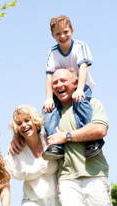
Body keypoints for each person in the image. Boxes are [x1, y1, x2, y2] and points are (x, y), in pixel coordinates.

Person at [9, 68, 115, 206]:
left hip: (94, 174)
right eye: (54, 82)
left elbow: (100, 130)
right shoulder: (51, 115)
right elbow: (30, 129)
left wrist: (66, 136)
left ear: (76, 82)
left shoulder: (91, 105)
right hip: (66, 179)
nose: (58, 85)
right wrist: (16, 136)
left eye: (63, 81)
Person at [42, 15, 104, 160]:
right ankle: (55, 143)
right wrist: (49, 98)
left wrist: (80, 89)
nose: (62, 36)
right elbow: (49, 75)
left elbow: (83, 67)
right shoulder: (53, 52)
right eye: (58, 34)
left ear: (72, 30)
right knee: (49, 109)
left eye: (65, 32)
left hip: (80, 84)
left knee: (80, 102)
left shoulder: (79, 46)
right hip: (63, 86)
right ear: (53, 36)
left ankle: (91, 140)